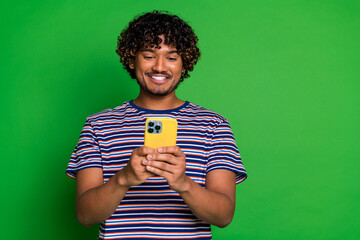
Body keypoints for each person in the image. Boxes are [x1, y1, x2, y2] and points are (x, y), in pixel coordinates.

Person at [66, 10, 247, 240]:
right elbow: (85, 215)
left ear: (184, 64)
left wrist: (183, 183)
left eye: (171, 57)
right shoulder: (98, 125)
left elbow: (223, 216)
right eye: (149, 55)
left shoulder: (214, 125)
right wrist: (124, 178)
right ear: (132, 59)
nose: (160, 67)